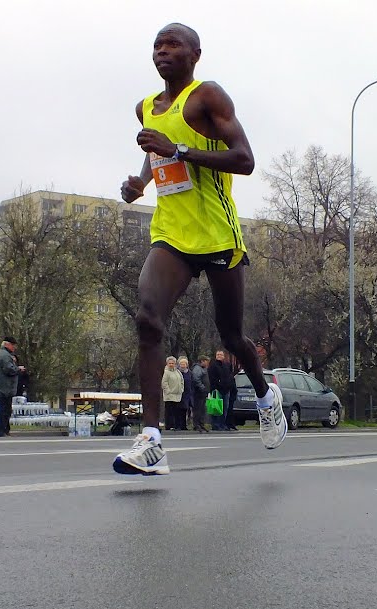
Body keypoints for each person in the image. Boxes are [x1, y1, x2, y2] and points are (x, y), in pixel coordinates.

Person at [112, 22, 287, 476]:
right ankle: (152, 439)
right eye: (157, 45)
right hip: (171, 232)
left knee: (231, 336)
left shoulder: (208, 97)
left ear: (195, 54)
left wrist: (181, 149)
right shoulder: (146, 107)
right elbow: (158, 154)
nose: (162, 51)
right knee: (148, 320)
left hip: (216, 233)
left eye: (173, 44)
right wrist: (141, 181)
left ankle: (268, 399)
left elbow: (245, 159)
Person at [0, 336, 24, 437]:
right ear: (7, 344)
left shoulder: (5, 354)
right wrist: (18, 369)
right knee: (4, 410)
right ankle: (1, 431)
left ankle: (5, 430)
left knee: (6, 409)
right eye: (13, 345)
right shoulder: (5, 356)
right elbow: (9, 369)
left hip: (4, 387)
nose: (14, 347)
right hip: (4, 388)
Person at [208, 349, 235, 431]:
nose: (219, 356)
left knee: (224, 408)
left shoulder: (227, 365)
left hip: (226, 390)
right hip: (217, 390)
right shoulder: (213, 365)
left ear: (224, 356)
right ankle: (216, 425)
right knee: (216, 407)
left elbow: (230, 376)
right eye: (218, 355)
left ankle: (223, 424)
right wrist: (216, 386)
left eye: (221, 355)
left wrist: (230, 385)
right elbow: (212, 378)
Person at [161, 356, 184, 430]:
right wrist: (168, 391)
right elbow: (164, 383)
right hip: (169, 396)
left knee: (176, 411)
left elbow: (181, 381)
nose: (171, 364)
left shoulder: (178, 372)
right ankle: (169, 426)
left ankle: (176, 425)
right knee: (169, 412)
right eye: (169, 363)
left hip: (177, 395)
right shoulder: (166, 372)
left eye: (172, 363)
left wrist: (181, 389)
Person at [191, 355, 211, 433]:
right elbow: (196, 379)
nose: (207, 363)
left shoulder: (203, 369)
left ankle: (201, 423)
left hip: (203, 393)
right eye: (206, 361)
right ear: (202, 361)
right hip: (198, 392)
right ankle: (196, 424)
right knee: (198, 409)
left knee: (202, 409)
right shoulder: (197, 369)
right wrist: (202, 388)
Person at [178, 356, 193, 430]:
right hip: (180, 393)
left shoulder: (189, 372)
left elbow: (191, 382)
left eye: (184, 364)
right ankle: (179, 425)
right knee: (179, 410)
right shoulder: (178, 372)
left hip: (188, 393)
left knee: (185, 410)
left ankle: (184, 425)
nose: (183, 365)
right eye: (181, 364)